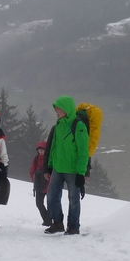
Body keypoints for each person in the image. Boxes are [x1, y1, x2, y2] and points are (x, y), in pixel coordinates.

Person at [44, 95, 89, 235]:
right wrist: (50, 166)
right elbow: (54, 147)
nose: (56, 112)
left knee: (73, 199)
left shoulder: (78, 126)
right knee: (51, 196)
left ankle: (73, 227)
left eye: (59, 109)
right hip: (58, 168)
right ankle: (57, 223)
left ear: (66, 109)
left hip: (73, 170)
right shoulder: (58, 125)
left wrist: (82, 173)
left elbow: (83, 151)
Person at [29, 140, 52, 226]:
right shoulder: (36, 159)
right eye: (39, 150)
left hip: (48, 184)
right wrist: (34, 180)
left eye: (42, 149)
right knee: (39, 203)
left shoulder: (50, 158)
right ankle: (47, 220)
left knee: (50, 204)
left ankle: (48, 221)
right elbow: (32, 170)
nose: (40, 151)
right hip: (39, 185)